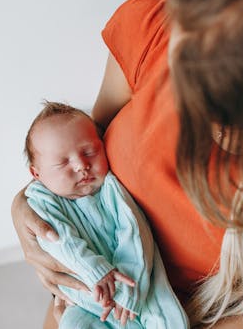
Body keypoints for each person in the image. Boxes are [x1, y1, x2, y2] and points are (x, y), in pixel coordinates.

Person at [12, 0, 243, 328]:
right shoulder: (159, 18)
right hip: (91, 294)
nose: (201, 116)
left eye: (235, 107)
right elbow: (86, 142)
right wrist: (25, 205)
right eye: (190, 80)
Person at [22, 101, 189, 328]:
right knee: (73, 324)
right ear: (37, 173)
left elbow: (135, 235)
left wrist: (128, 292)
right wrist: (97, 271)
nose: (81, 165)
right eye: (63, 162)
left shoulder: (111, 189)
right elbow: (60, 241)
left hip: (138, 287)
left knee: (170, 321)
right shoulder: (42, 201)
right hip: (86, 302)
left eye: (90, 152)